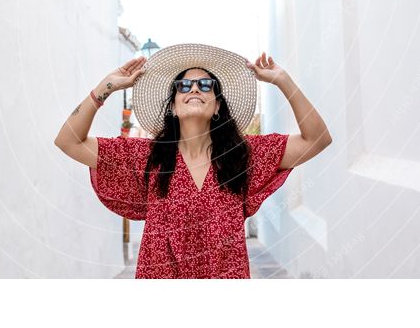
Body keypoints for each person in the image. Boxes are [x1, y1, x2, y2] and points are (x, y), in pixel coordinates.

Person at [54, 43, 332, 278]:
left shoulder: (243, 155)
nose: (194, 88)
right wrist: (106, 88)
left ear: (217, 106)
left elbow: (316, 139)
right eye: (184, 85)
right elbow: (68, 141)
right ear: (173, 106)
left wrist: (283, 80)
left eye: (205, 84)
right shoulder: (145, 157)